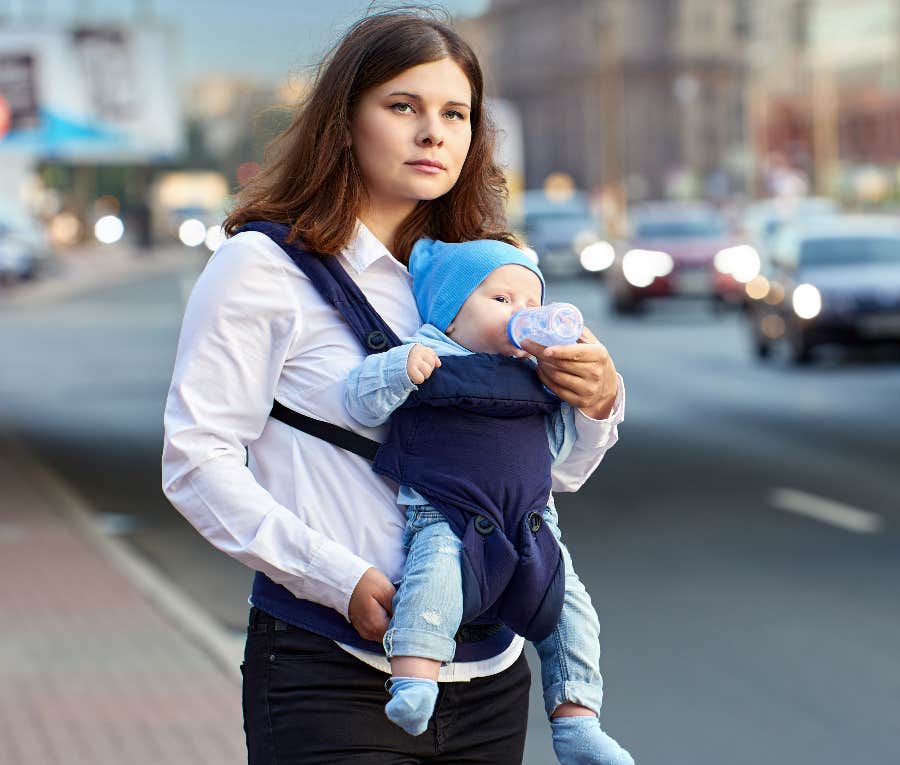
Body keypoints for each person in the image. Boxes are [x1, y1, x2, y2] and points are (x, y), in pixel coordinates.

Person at [161, 9, 625, 764]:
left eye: (455, 113)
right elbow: (196, 461)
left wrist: (597, 404)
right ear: (343, 122)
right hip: (329, 670)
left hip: (490, 677)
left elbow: (543, 478)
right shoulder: (263, 268)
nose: (433, 133)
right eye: (402, 106)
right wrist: (338, 579)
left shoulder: (499, 281)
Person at [342, 238, 631, 764]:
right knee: (433, 585)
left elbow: (562, 458)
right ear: (451, 314)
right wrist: (398, 369)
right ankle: (414, 679)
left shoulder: (539, 373)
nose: (519, 314)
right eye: (500, 301)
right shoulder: (427, 352)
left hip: (533, 525)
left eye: (529, 303)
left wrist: (591, 397)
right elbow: (358, 403)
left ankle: (577, 721)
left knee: (572, 611)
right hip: (447, 516)